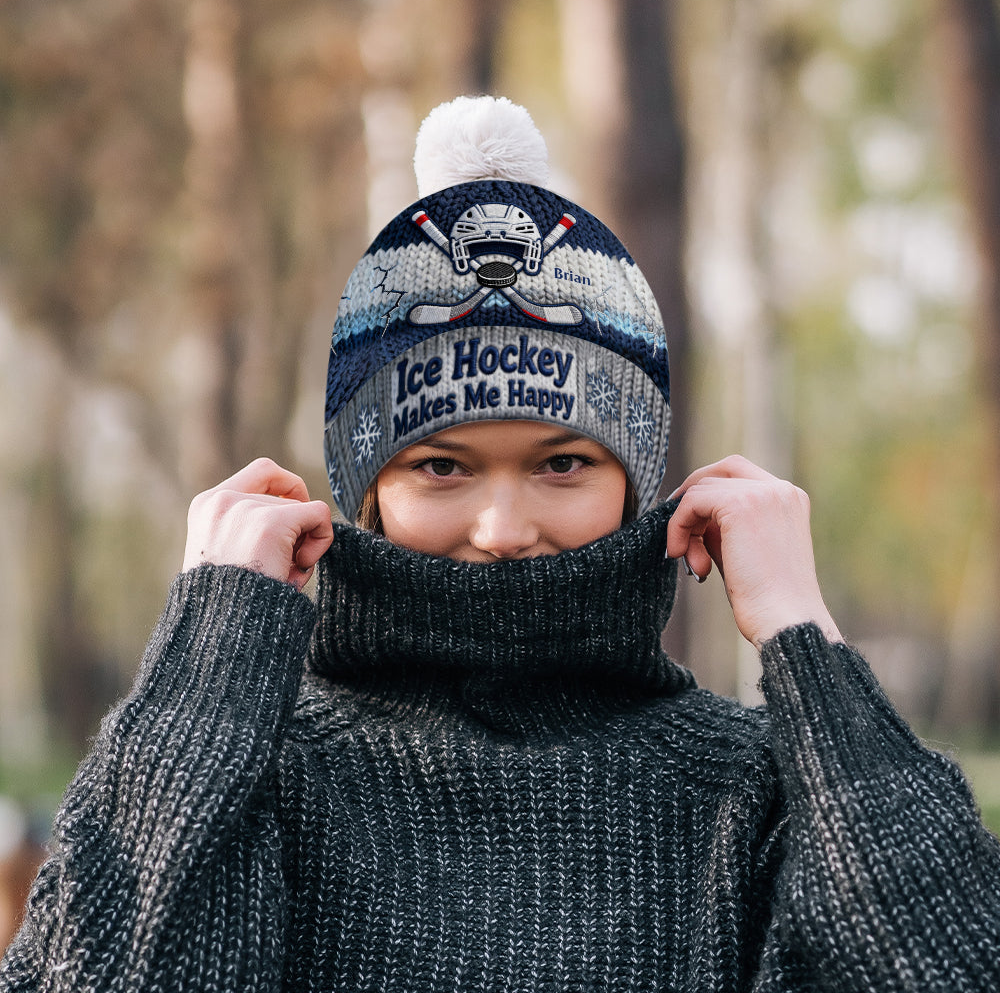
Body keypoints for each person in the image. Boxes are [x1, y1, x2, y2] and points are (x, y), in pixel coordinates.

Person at [2, 95, 998, 992]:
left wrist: (803, 639)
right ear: (366, 490)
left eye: (563, 462)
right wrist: (200, 683)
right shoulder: (259, 778)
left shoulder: (750, 791)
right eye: (441, 466)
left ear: (633, 481)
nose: (505, 526)